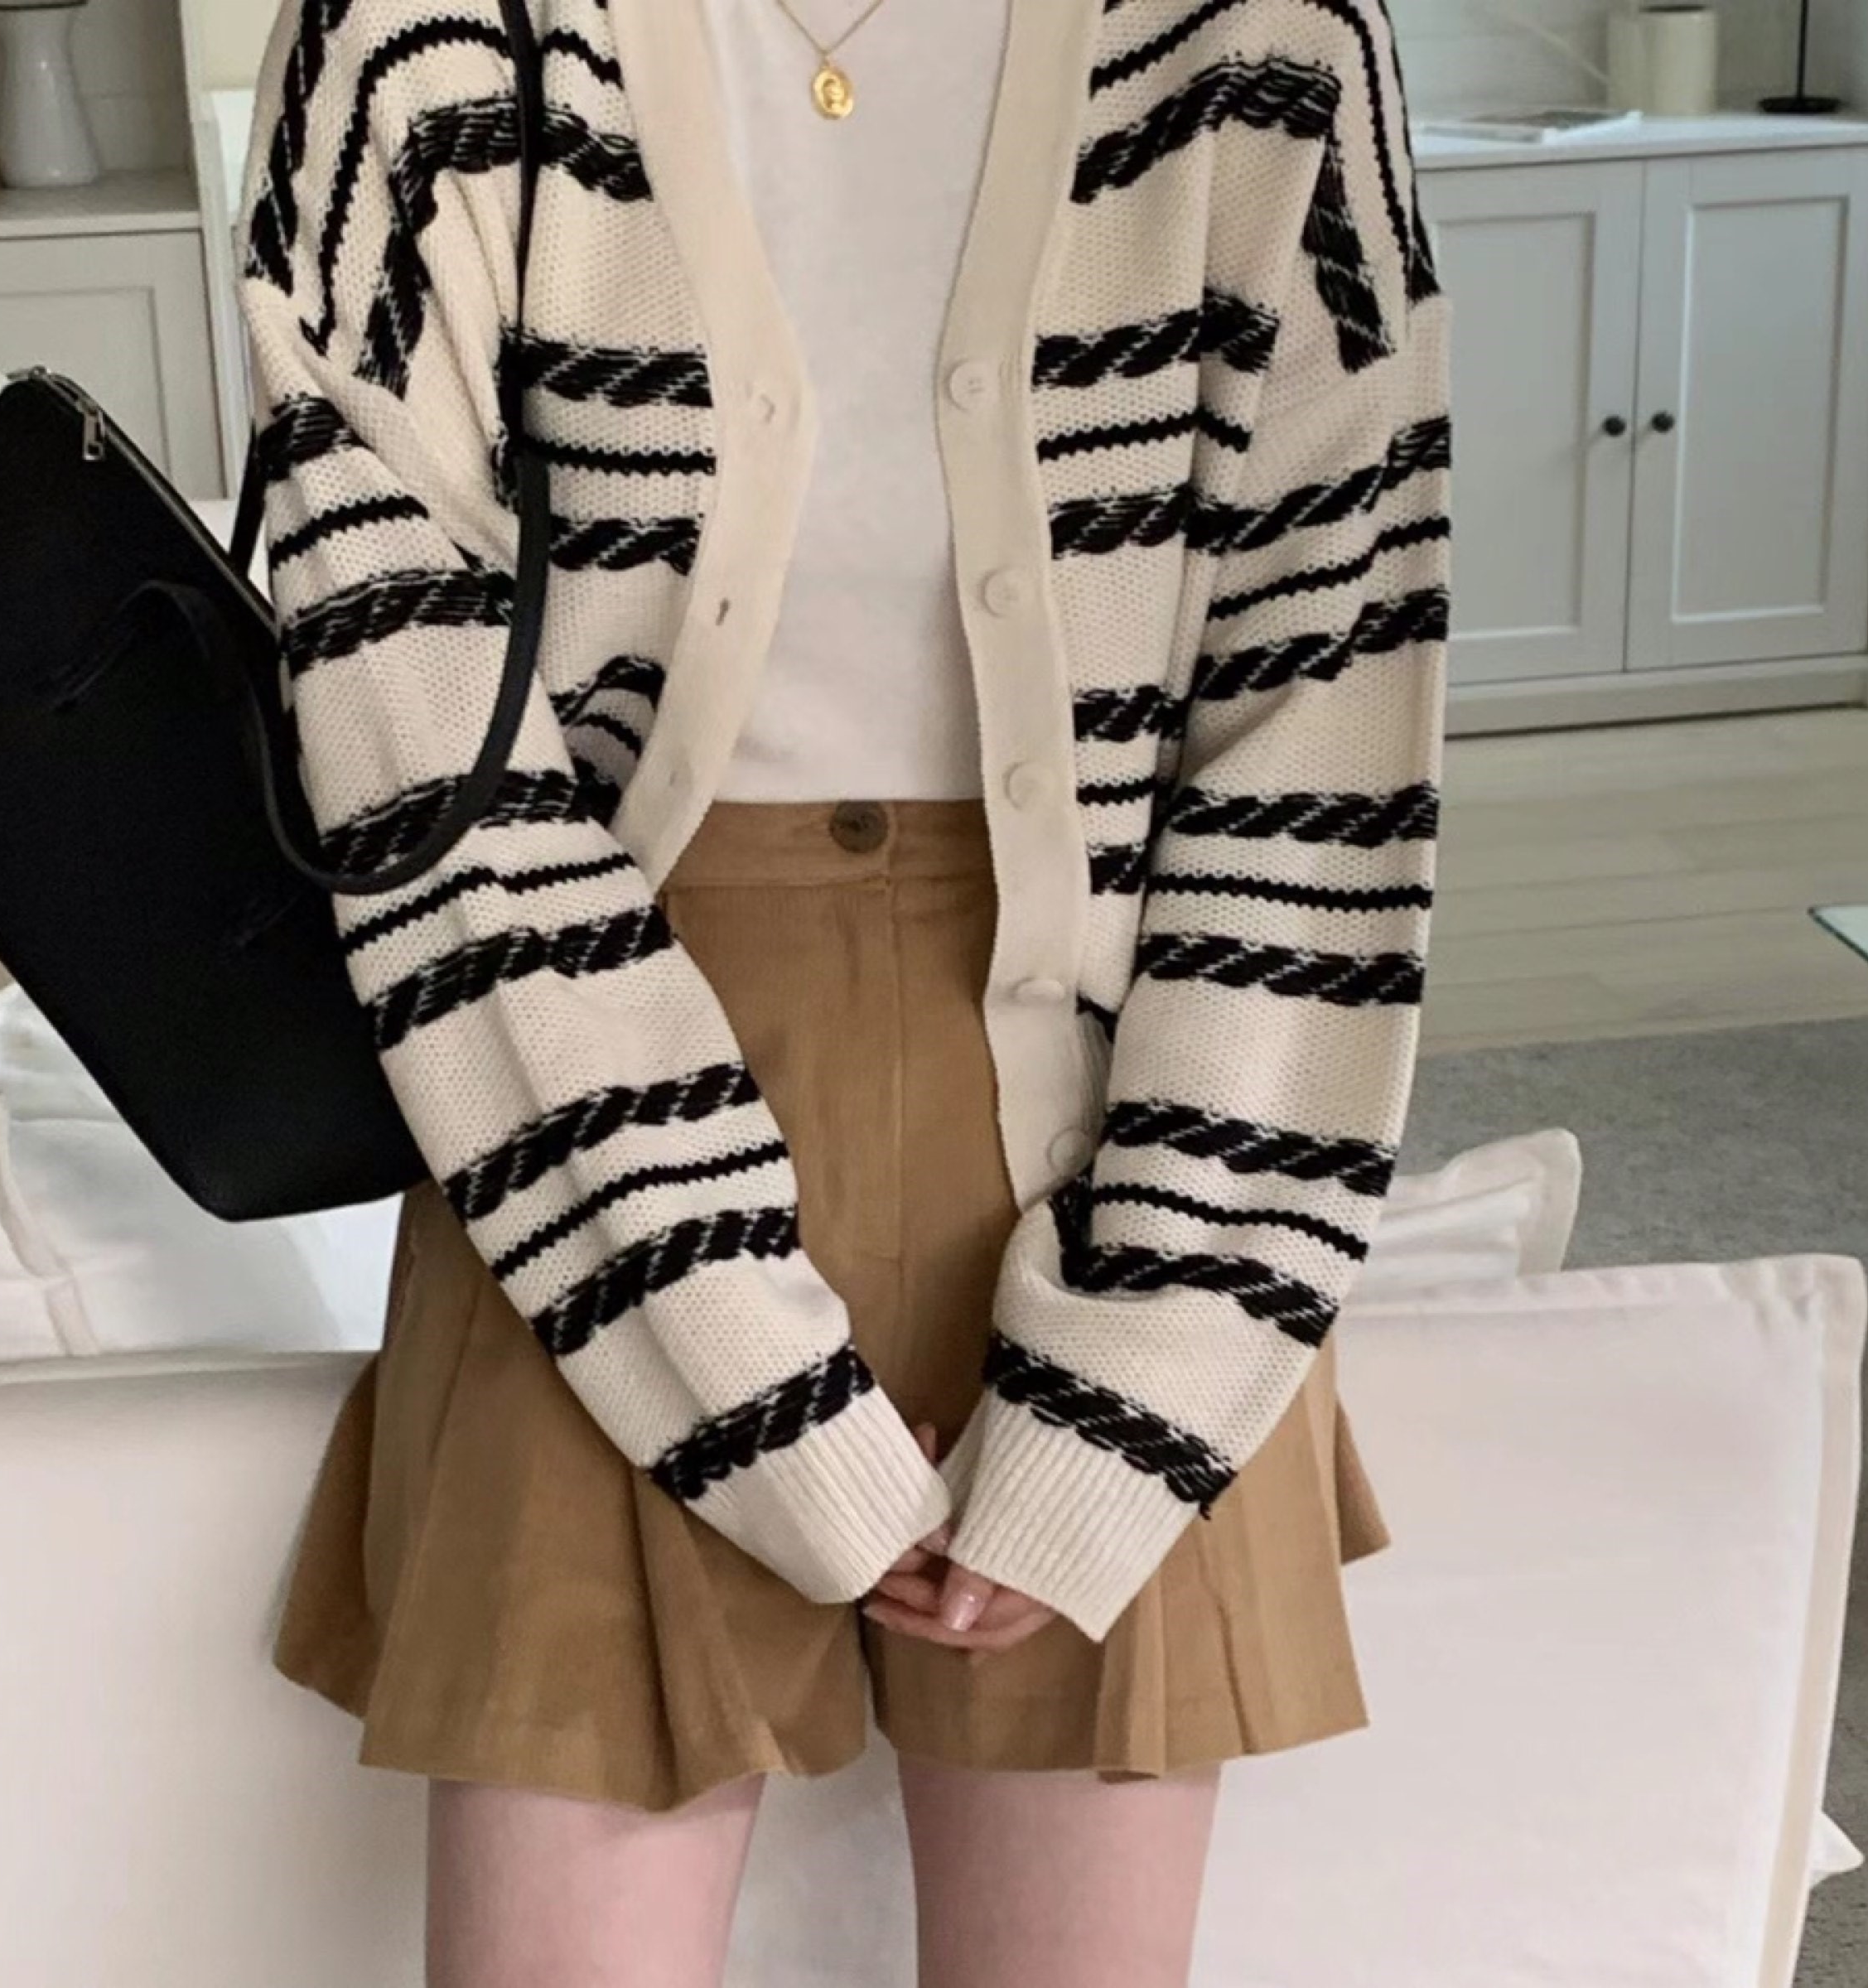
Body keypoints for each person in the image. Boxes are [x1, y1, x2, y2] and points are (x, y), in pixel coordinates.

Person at [232, 0, 1450, 1981]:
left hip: (1117, 1132)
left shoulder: (1265, 35)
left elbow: (1329, 734)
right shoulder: (422, 35)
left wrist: (1150, 1362)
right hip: (583, 1133)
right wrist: (727, 1357)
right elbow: (404, 729)